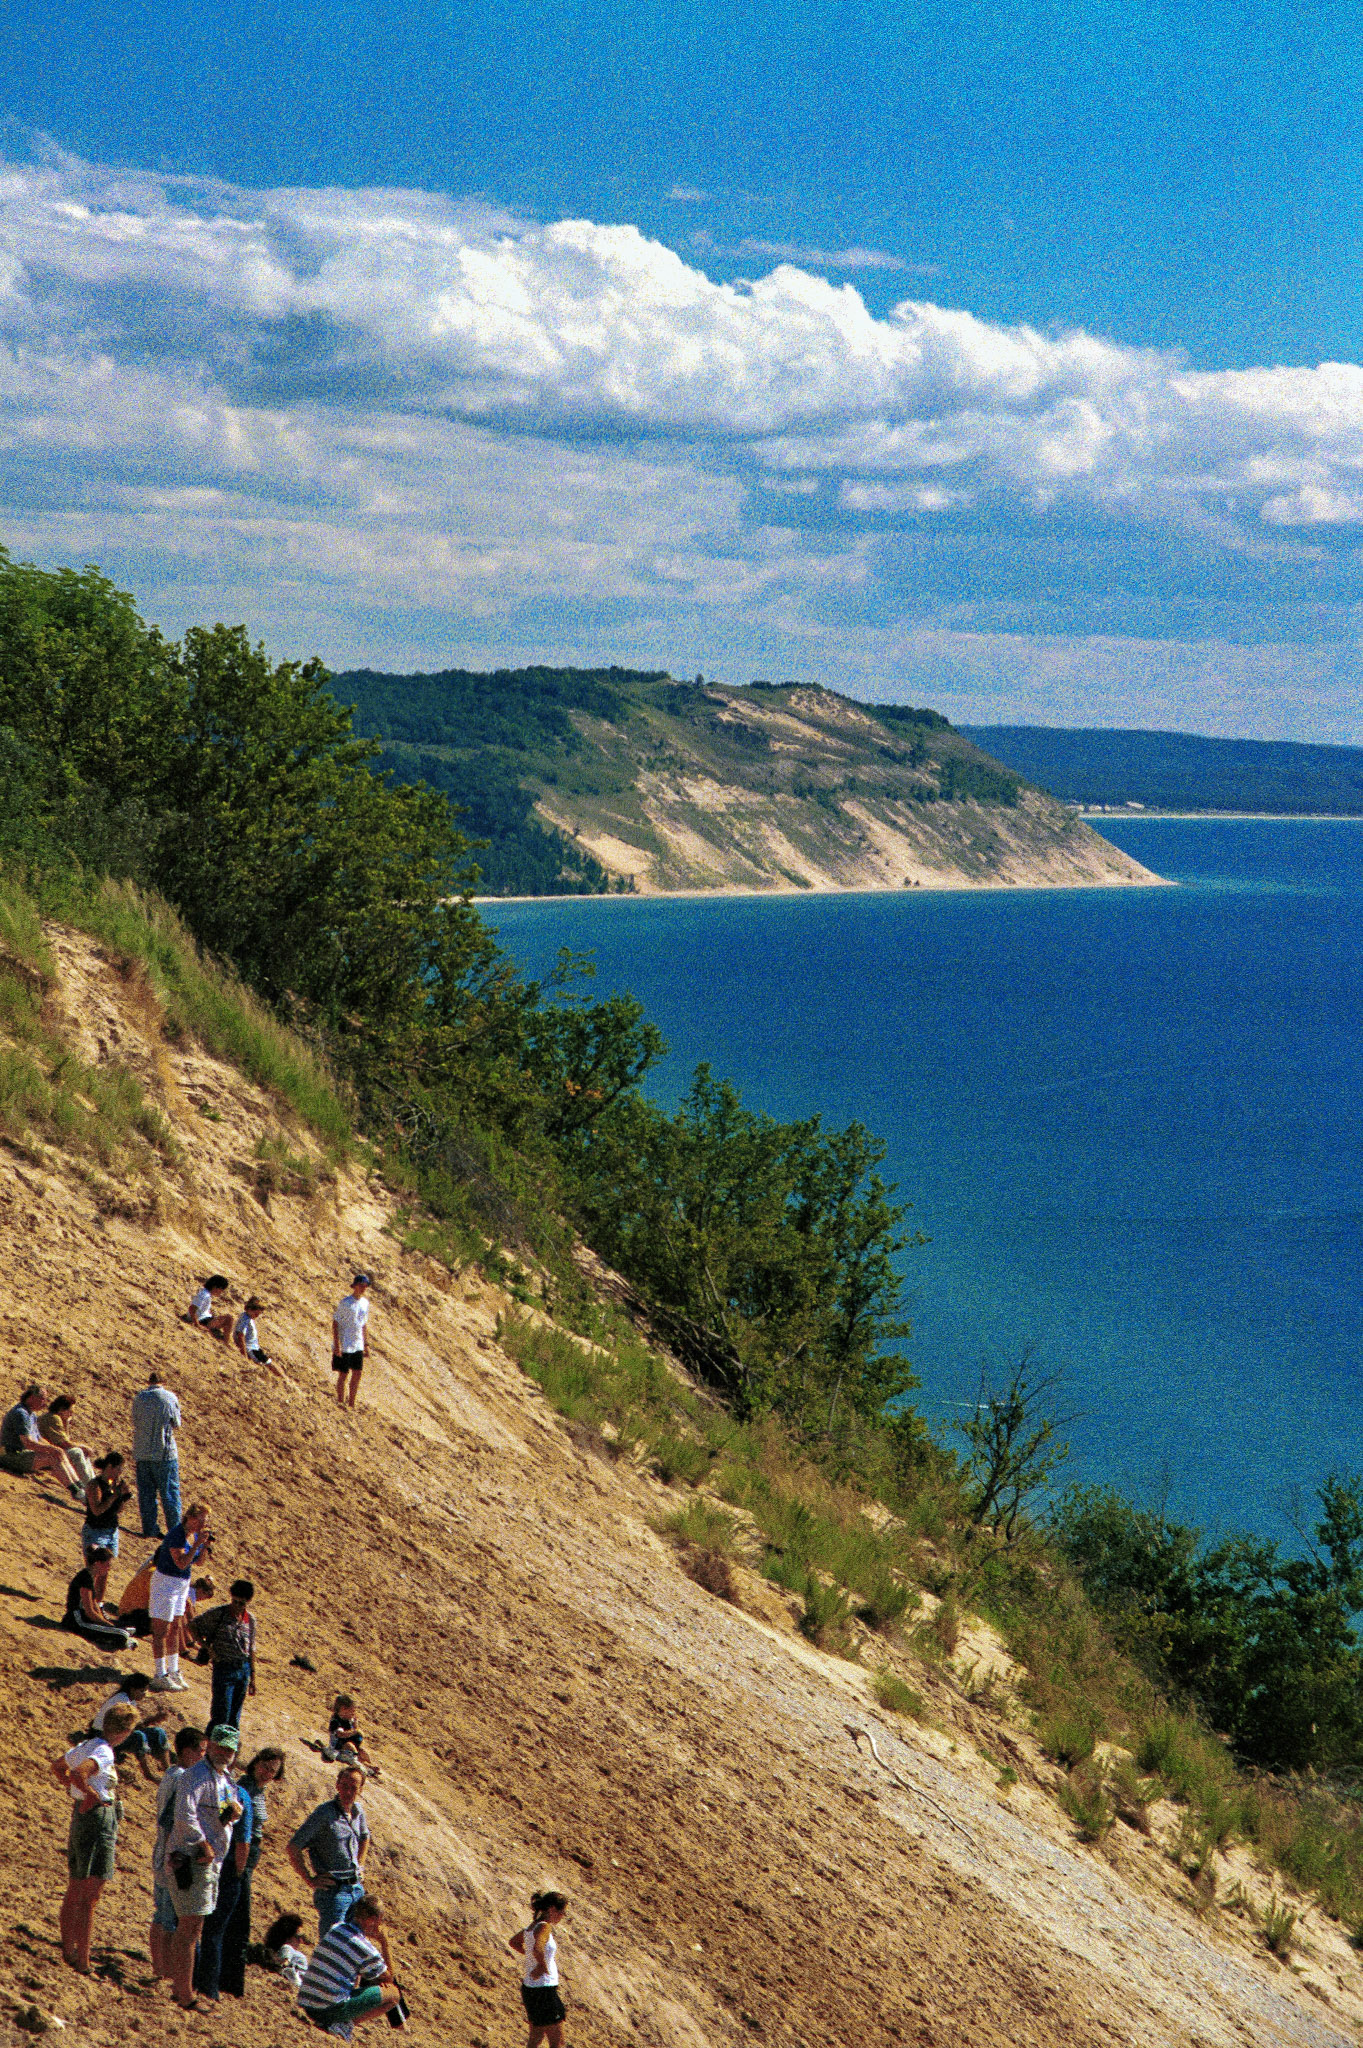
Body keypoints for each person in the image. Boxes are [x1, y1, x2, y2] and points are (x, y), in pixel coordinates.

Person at [50, 1701, 137, 1972]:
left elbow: (59, 1768)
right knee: (90, 1893)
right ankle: (84, 1959)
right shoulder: (104, 1751)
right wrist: (92, 1795)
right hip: (98, 1817)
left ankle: (70, 1949)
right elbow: (79, 1773)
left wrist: (77, 1793)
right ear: (124, 1731)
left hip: (82, 1815)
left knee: (76, 1884)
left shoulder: (87, 1744)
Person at [165, 1722, 242, 2012]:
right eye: (221, 1746)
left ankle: (180, 1987)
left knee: (192, 1926)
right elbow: (184, 1814)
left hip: (210, 1861)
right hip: (193, 1858)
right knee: (189, 1926)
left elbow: (218, 1813)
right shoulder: (195, 1776)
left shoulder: (224, 1778)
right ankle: (184, 1993)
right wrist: (202, 1843)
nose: (225, 1753)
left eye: (230, 1749)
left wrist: (233, 1812)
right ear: (209, 1745)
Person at [217, 1746, 284, 1997]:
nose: (268, 1773)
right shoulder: (242, 1787)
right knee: (238, 1916)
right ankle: (230, 1979)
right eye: (266, 1767)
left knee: (238, 1914)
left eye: (273, 1771)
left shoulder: (258, 1790)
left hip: (250, 1851)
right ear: (256, 1763)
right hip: (240, 1850)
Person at [296, 1893, 404, 2037]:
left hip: (307, 2003)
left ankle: (338, 2020)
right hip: (326, 2010)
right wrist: (385, 1943)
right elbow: (389, 1979)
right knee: (393, 1994)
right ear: (372, 1920)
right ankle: (342, 2024)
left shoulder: (336, 1928)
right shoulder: (364, 1948)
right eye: (380, 1920)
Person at [194, 1751, 254, 2002]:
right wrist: (239, 1874)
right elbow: (243, 1842)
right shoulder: (239, 1794)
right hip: (225, 1864)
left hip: (203, 1857)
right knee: (215, 1930)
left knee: (195, 1924)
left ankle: (198, 1981)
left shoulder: (198, 1783)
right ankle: (209, 1986)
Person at [287, 1766, 372, 1936]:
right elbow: (293, 1847)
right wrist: (310, 1880)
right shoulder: (324, 1813)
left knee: (354, 1943)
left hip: (355, 1888)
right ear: (337, 1785)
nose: (348, 1791)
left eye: (353, 1787)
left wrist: (360, 1865)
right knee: (331, 1944)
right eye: (344, 1785)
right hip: (334, 1893)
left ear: (361, 1790)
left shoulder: (358, 1811)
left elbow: (365, 1837)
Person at [149, 1725, 206, 1978]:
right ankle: (165, 1970)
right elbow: (170, 1819)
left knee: (164, 1912)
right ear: (187, 1751)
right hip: (175, 1855)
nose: (204, 1757)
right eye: (200, 1751)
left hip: (167, 1851)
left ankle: (161, 1968)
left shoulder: (172, 1774)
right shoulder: (182, 1778)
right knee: (168, 1915)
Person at [147, 1502, 212, 1691]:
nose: (202, 1525)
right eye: (200, 1520)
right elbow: (182, 1562)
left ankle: (173, 1669)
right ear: (190, 1518)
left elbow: (198, 1562)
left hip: (180, 1584)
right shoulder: (177, 1534)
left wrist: (204, 1546)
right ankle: (160, 1673)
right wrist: (197, 1545)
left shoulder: (191, 1537)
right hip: (166, 1583)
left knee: (176, 1627)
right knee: (161, 1630)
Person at [193, 1578, 258, 1729]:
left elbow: (251, 1649)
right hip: (224, 1668)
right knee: (221, 1714)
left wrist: (253, 1678)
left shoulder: (251, 1620)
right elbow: (193, 1625)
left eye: (241, 1603)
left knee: (234, 1717)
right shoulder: (219, 1613)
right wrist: (207, 1648)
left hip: (243, 1669)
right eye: (234, 1601)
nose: (236, 1606)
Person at [509, 1891, 569, 2048]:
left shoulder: (531, 1927)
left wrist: (531, 1958)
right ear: (552, 1910)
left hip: (530, 1988)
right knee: (558, 2042)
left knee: (535, 2038)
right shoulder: (544, 1927)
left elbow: (514, 1942)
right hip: (544, 1989)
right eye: (562, 1912)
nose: (562, 1916)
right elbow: (537, 1948)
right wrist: (542, 1965)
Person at [1, 1384, 83, 1494]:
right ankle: (76, 1491)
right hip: (11, 1455)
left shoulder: (32, 1414)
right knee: (52, 1458)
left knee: (58, 1454)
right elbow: (28, 1442)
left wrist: (54, 1448)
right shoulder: (21, 1414)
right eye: (42, 1399)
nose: (45, 1402)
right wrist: (51, 1449)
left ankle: (79, 1485)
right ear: (32, 1397)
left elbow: (38, 1438)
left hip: (23, 1453)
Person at [130, 1369, 183, 1538]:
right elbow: (176, 1423)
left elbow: (135, 1421)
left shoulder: (139, 1398)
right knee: (169, 1493)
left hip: (142, 1451)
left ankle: (150, 1528)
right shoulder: (170, 1397)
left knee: (146, 1493)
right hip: (164, 1452)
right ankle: (175, 1532)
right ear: (163, 1382)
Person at [91, 1672, 170, 1780]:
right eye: (142, 1690)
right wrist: (153, 1719)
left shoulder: (129, 1700)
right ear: (133, 1689)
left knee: (158, 1732)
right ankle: (148, 1773)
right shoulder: (122, 1701)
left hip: (117, 1733)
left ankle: (168, 1771)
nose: (144, 1694)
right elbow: (129, 1728)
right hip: (105, 1736)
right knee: (139, 1737)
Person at [63, 1546, 133, 1651]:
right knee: (122, 1634)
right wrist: (108, 1625)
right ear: (97, 1563)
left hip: (84, 1617)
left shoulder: (91, 1576)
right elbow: (89, 1611)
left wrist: (106, 1622)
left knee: (129, 1627)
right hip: (76, 1620)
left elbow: (95, 1603)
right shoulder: (85, 1578)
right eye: (107, 1565)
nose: (109, 1568)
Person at [79, 1451, 133, 1561]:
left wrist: (122, 1498)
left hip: (112, 1531)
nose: (120, 1472)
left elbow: (118, 1510)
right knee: (96, 1568)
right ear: (110, 1467)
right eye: (118, 1468)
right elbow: (97, 1511)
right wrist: (114, 1496)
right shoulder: (95, 1485)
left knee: (107, 1567)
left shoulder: (114, 1484)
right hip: (96, 1532)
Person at [331, 1274, 371, 1408]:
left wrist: (366, 1344)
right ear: (354, 1286)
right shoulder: (346, 1303)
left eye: (365, 1286)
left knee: (357, 1373)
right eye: (361, 1286)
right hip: (345, 1343)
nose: (363, 1288)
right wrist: (337, 1345)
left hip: (357, 1343)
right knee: (343, 1374)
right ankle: (341, 1401)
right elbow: (335, 1323)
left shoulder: (365, 1303)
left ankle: (352, 1403)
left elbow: (363, 1324)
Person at [38, 1395, 96, 1485]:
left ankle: (93, 1485)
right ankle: (89, 1486)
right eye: (70, 1411)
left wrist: (66, 1423)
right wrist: (84, 1447)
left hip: (50, 1453)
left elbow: (65, 1440)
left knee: (82, 1453)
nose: (71, 1414)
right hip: (46, 1455)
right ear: (62, 1409)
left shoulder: (56, 1418)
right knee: (77, 1452)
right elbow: (64, 1443)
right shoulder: (53, 1418)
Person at [254, 1910, 309, 1989]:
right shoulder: (287, 1947)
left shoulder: (284, 1950)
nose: (301, 1941)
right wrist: (286, 1967)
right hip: (298, 1979)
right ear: (288, 1938)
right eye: (298, 1937)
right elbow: (284, 1961)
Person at [324, 1694, 379, 1774]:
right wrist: (354, 1731)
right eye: (352, 1711)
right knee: (351, 1747)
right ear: (343, 1709)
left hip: (350, 1741)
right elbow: (340, 1734)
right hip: (339, 1745)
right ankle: (363, 1765)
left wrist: (355, 1725)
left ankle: (369, 1764)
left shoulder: (350, 1719)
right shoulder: (337, 1721)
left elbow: (355, 1729)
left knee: (363, 1752)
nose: (354, 1713)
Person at [233, 1296, 281, 1375]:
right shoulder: (246, 1319)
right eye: (256, 1313)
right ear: (250, 1309)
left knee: (270, 1362)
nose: (257, 1316)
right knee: (269, 1364)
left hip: (254, 1347)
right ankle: (285, 1380)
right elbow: (240, 1335)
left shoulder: (248, 1317)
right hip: (251, 1349)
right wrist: (244, 1355)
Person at [188, 1275, 234, 1340]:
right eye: (221, 1290)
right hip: (203, 1321)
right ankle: (226, 1342)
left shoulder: (206, 1293)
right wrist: (197, 1325)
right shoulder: (204, 1295)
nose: (221, 1292)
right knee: (229, 1319)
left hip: (204, 1319)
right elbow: (192, 1309)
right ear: (215, 1287)